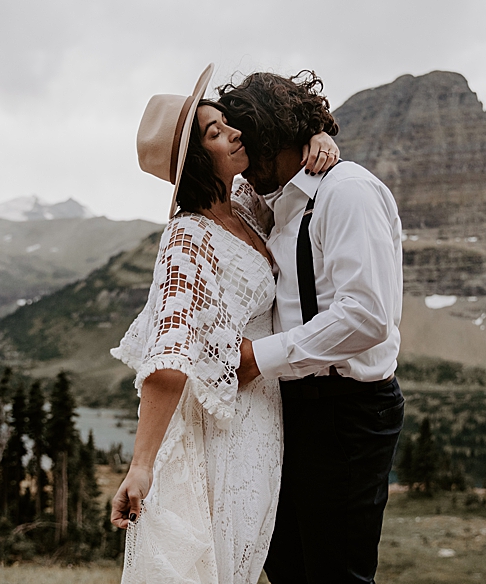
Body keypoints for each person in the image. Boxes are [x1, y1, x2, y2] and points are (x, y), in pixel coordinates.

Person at [108, 64, 338, 584]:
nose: (235, 132)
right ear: (194, 161)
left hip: (263, 411)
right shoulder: (187, 237)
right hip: (219, 425)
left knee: (250, 558)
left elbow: (291, 176)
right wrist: (141, 465)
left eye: (226, 123)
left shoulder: (245, 203)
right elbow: (169, 357)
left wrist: (316, 135)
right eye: (216, 132)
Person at [216, 71, 408, 584]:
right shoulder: (277, 199)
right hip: (296, 409)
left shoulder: (348, 193)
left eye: (249, 149)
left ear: (275, 140)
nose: (242, 166)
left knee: (336, 573)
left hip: (348, 413)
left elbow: (366, 315)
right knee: (286, 567)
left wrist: (259, 358)